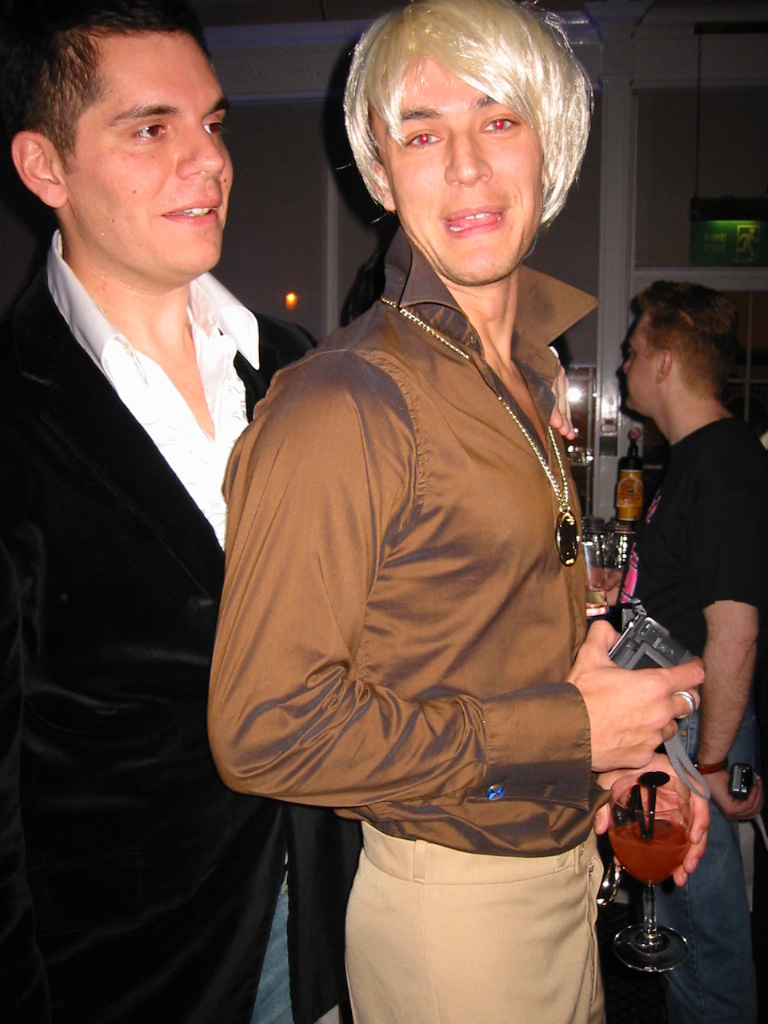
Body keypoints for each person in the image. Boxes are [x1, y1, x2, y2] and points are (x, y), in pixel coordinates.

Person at [208, 3, 709, 1023]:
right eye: (423, 133)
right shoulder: (343, 403)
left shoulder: (527, 377)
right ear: (381, 172)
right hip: (456, 921)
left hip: (562, 884)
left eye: (499, 120)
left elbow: (483, 648)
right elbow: (263, 730)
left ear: (549, 146)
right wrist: (567, 726)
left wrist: (610, 759)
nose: (468, 166)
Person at [0, 2, 361, 1022]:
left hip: (336, 927)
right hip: (138, 974)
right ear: (45, 166)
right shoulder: (15, 417)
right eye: (151, 128)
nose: (208, 160)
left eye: (213, 123)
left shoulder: (296, 373)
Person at [619, 280, 767, 1024]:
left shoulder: (724, 464)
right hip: (682, 725)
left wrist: (708, 768)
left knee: (703, 947)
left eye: (634, 350)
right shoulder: (697, 457)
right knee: (686, 931)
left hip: (699, 730)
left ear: (666, 362)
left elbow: (736, 632)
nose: (625, 364)